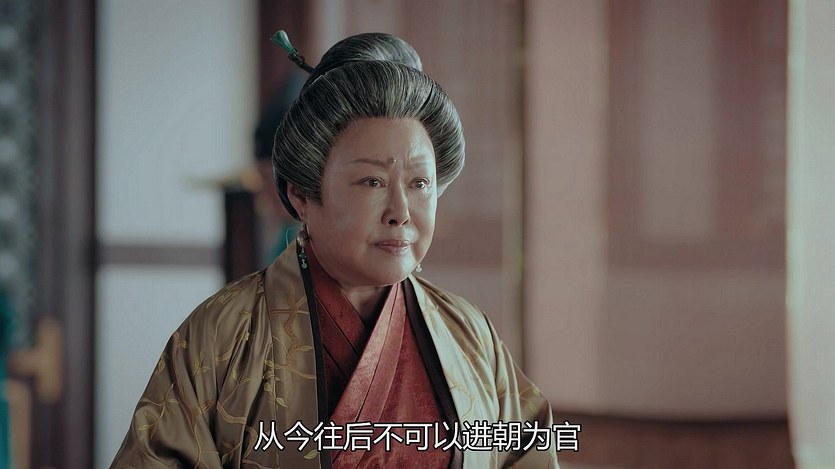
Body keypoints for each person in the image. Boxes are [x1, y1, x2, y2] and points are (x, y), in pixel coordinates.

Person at [111, 31, 559, 469]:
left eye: (420, 183)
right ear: (303, 196)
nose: (401, 212)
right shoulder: (223, 334)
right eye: (372, 182)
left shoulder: (469, 333)